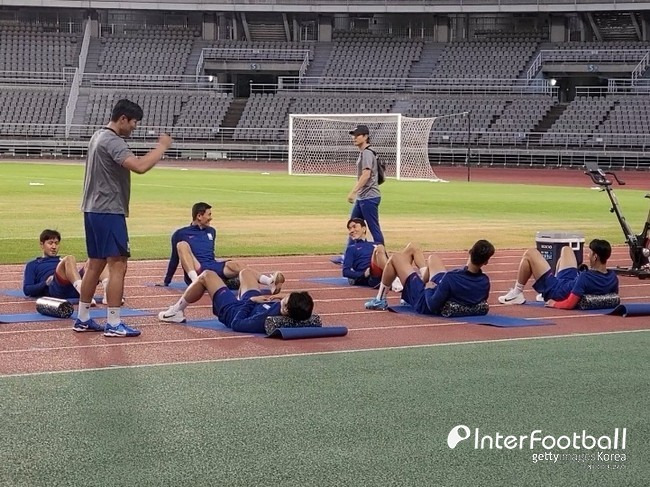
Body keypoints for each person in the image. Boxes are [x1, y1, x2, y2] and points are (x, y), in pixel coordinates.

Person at [74, 99, 173, 337]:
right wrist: (162, 147)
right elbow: (138, 166)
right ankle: (114, 322)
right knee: (118, 264)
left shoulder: (97, 135)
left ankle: (83, 317)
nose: (134, 128)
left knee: (95, 264)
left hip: (92, 209)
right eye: (134, 123)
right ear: (123, 119)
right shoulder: (112, 140)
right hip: (109, 210)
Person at [161, 202, 282, 291]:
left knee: (235, 264)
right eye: (209, 214)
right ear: (199, 216)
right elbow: (174, 259)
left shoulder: (212, 231)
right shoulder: (180, 233)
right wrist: (167, 281)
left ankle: (269, 282)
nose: (211, 218)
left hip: (213, 266)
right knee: (182, 245)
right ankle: (195, 282)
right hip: (197, 268)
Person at [158, 268, 314, 335]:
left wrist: (251, 301)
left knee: (207, 275)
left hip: (233, 311)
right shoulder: (292, 310)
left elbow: (237, 324)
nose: (285, 297)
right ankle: (270, 282)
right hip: (255, 304)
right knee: (246, 273)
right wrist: (278, 297)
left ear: (286, 309)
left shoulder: (263, 319)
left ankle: (176, 311)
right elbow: (298, 305)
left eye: (286, 299)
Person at [365, 240, 495, 314]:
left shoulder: (451, 278)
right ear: (486, 262)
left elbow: (432, 305)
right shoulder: (484, 282)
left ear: (470, 252)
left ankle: (380, 299)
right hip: (447, 286)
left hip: (425, 300)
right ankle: (418, 280)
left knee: (395, 258)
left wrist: (427, 288)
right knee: (433, 258)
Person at [498, 239, 619, 309]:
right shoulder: (612, 277)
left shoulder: (585, 277)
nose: (588, 256)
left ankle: (517, 293)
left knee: (530, 254)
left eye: (590, 253)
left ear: (595, 256)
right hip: (570, 282)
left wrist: (554, 303)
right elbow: (613, 297)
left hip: (557, 290)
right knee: (566, 250)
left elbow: (570, 303)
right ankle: (550, 280)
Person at [23, 229, 108, 302]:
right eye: (50, 243)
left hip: (73, 288)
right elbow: (27, 289)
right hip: (57, 289)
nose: (54, 246)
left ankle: (108, 293)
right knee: (69, 258)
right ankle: (84, 294)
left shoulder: (61, 260)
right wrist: (45, 283)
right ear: (42, 245)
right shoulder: (33, 264)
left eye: (56, 243)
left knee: (96, 261)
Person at [346, 125, 384, 246]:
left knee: (373, 227)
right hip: (363, 197)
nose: (354, 138)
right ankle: (350, 254)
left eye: (357, 135)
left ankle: (381, 255)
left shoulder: (367, 153)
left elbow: (366, 175)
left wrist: (353, 192)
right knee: (353, 225)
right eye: (354, 135)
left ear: (366, 136)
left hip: (369, 197)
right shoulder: (364, 153)